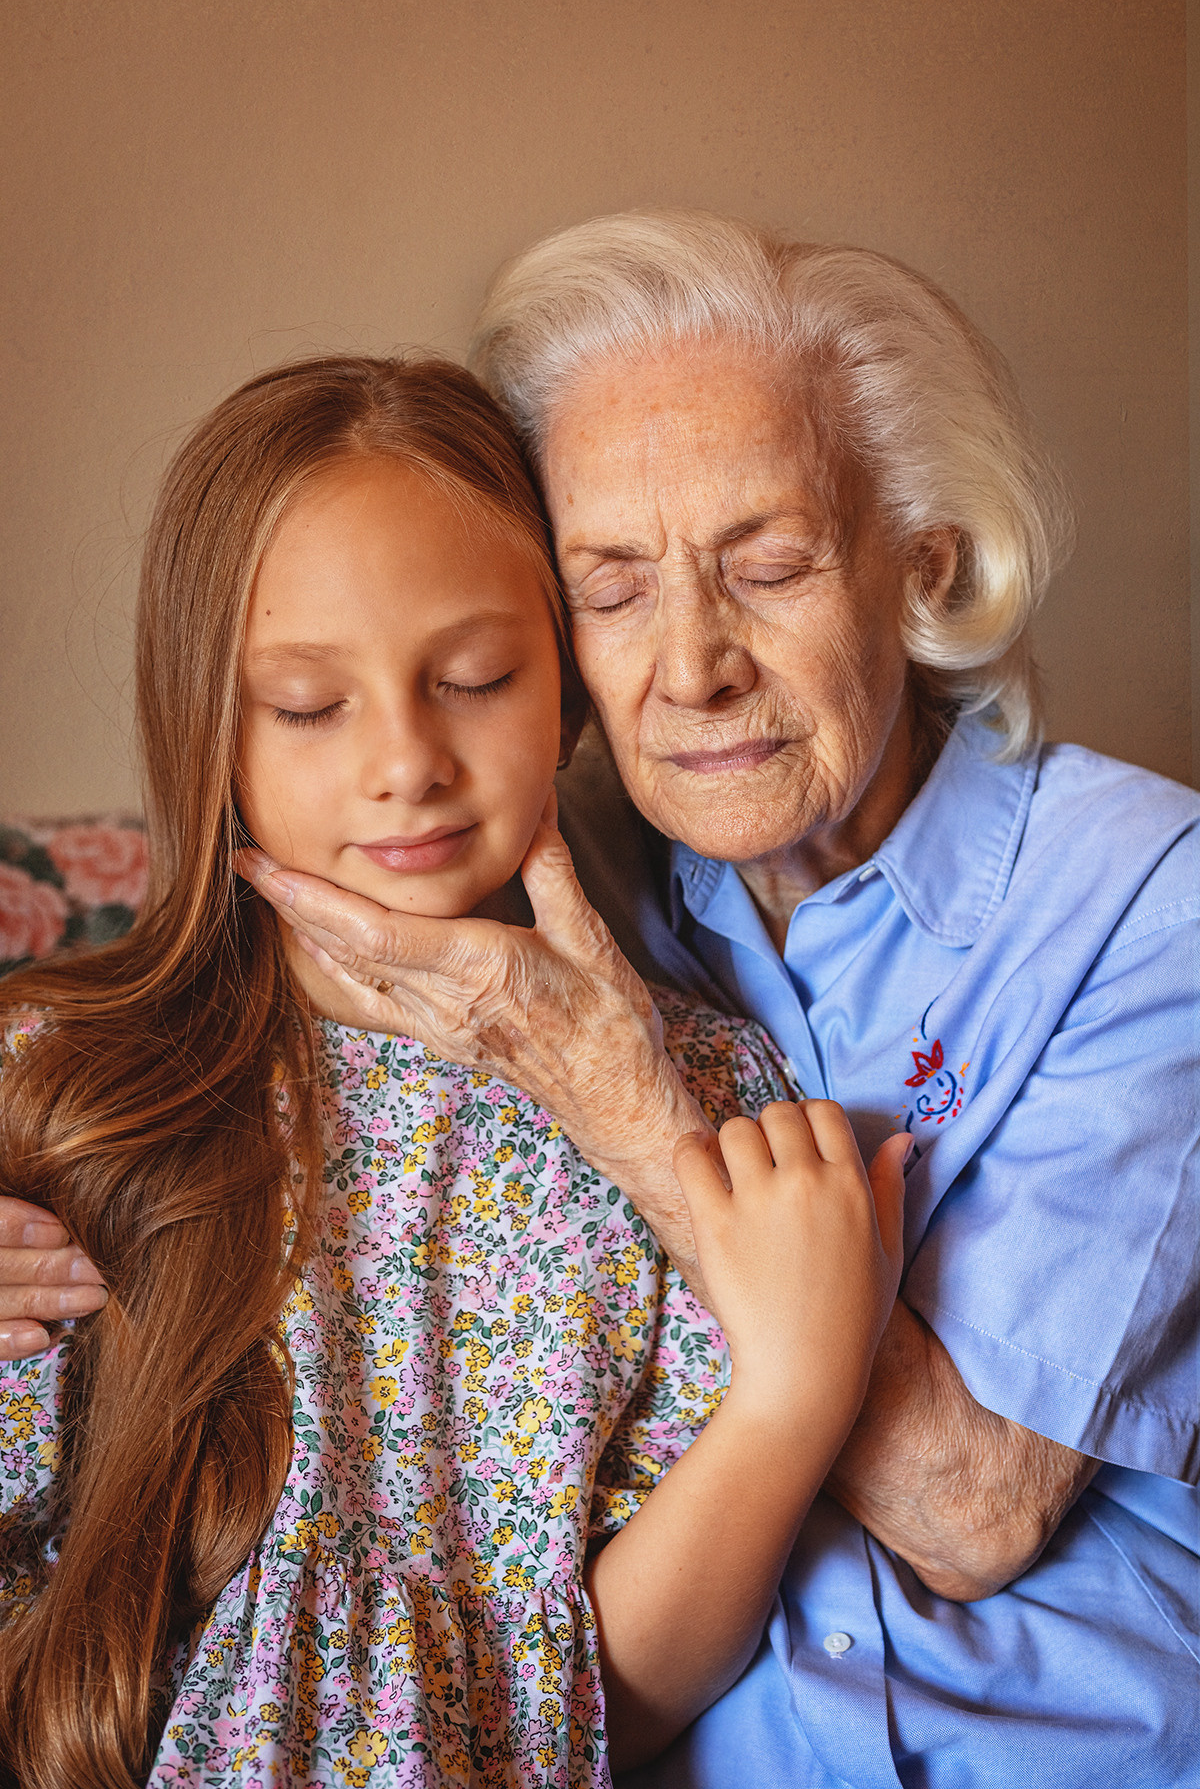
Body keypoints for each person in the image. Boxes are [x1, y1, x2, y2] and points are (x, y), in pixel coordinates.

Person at [1, 211, 1196, 1783]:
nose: (690, 667)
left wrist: (648, 1134)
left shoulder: (1141, 897)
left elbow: (975, 1516)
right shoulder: (580, 868)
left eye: (767, 566)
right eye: (615, 588)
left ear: (925, 562)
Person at [0, 355, 906, 1788]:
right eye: (307, 705)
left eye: (474, 679)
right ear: (211, 734)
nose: (406, 761)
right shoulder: (60, 1073)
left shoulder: (705, 1098)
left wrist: (797, 1392)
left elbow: (627, 1697)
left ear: (569, 690)